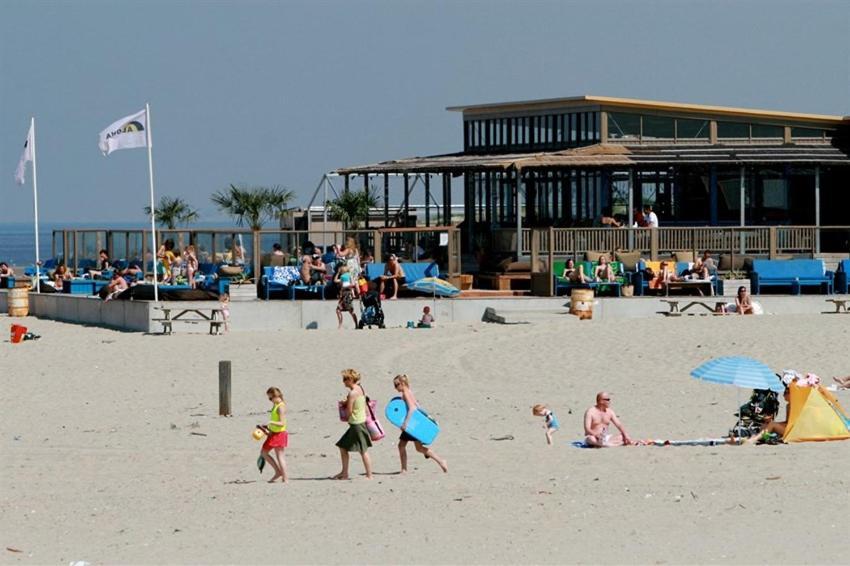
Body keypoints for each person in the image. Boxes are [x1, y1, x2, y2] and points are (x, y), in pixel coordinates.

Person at [393, 375, 448, 473]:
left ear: (402, 383)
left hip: (411, 424)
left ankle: (404, 470)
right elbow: (417, 406)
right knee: (419, 448)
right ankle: (441, 461)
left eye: (396, 384)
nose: (395, 387)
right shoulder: (409, 391)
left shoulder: (406, 393)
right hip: (415, 424)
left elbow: (412, 408)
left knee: (401, 446)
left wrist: (405, 423)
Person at [333, 369, 373, 480]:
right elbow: (360, 403)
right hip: (360, 422)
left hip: (356, 424)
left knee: (363, 450)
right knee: (343, 447)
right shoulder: (360, 389)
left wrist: (344, 407)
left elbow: (349, 411)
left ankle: (369, 475)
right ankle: (344, 473)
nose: (343, 382)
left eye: (345, 379)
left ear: (350, 379)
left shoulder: (352, 393)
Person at [257, 387, 288, 483]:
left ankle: (285, 478)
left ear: (276, 396)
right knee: (264, 452)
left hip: (280, 434)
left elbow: (282, 423)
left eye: (270, 398)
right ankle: (278, 472)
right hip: (273, 433)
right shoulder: (275, 405)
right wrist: (267, 428)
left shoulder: (281, 407)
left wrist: (271, 422)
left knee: (280, 456)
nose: (270, 400)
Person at [334, 265, 357, 329]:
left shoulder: (348, 276)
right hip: (343, 295)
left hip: (347, 294)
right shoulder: (342, 277)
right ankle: (340, 325)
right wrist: (338, 273)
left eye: (341, 270)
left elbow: (352, 284)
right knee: (338, 310)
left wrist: (352, 293)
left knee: (351, 311)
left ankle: (356, 324)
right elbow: (335, 280)